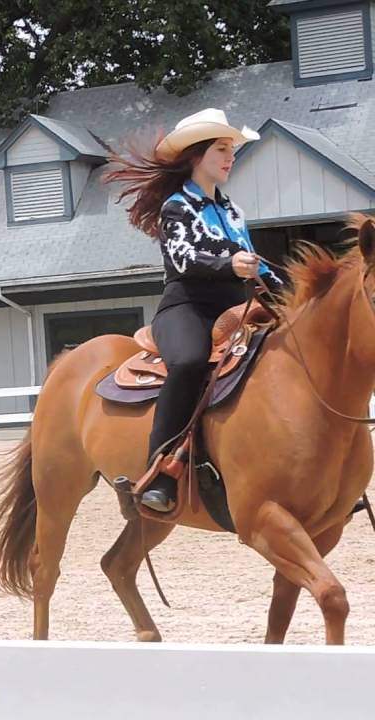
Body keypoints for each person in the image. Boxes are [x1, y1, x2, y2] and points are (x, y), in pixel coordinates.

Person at [105, 108, 283, 513]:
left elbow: (256, 264)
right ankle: (158, 472)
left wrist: (293, 294)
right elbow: (183, 258)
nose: (230, 157)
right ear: (196, 156)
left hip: (234, 308)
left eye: (232, 150)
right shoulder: (177, 207)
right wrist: (229, 265)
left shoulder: (233, 211)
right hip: (185, 305)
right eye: (222, 149)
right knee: (187, 361)